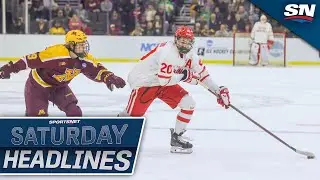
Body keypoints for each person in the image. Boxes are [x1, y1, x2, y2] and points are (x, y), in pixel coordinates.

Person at [118, 26, 231, 154]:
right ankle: (111, 134)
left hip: (163, 81)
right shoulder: (168, 52)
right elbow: (164, 81)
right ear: (176, 40)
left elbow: (203, 74)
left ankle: (177, 138)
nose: (184, 44)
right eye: (182, 41)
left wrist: (218, 91)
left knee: (188, 103)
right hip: (145, 82)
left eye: (187, 41)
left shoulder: (191, 56)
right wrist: (184, 76)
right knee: (132, 117)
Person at [0, 30, 126, 116]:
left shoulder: (84, 58)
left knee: (74, 113)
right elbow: (28, 60)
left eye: (84, 44)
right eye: (80, 45)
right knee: (37, 120)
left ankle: (72, 142)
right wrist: (9, 68)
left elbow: (96, 69)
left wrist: (109, 77)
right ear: (71, 45)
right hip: (38, 87)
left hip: (59, 88)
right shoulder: (55, 54)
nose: (84, 48)